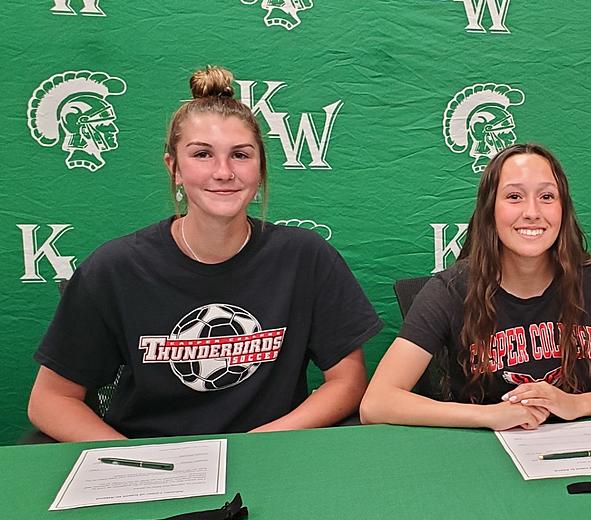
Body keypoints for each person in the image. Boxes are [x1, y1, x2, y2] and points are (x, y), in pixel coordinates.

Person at [28, 66, 381, 441]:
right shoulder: (114, 268)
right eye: (202, 154)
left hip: (271, 455)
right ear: (174, 168)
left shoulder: (306, 257)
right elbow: (50, 399)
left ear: (260, 169)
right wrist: (137, 461)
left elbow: (347, 380)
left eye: (241, 155)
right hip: (153, 461)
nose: (223, 172)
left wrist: (264, 442)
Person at [360, 143, 591, 430]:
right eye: (514, 196)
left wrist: (576, 404)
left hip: (578, 448)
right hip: (482, 454)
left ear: (563, 209)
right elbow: (377, 403)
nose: (532, 212)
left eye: (547, 196)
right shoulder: (450, 289)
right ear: (490, 211)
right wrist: (488, 416)